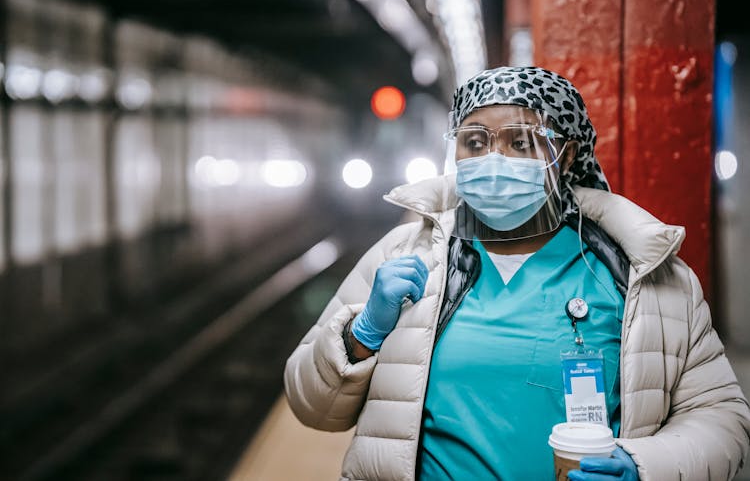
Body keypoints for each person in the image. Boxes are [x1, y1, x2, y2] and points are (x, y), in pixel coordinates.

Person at [284, 66, 750, 480]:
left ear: (565, 157)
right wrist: (361, 335)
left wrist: (644, 467)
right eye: (475, 141)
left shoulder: (641, 274)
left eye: (521, 141)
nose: (494, 159)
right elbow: (312, 407)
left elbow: (723, 420)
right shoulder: (406, 255)